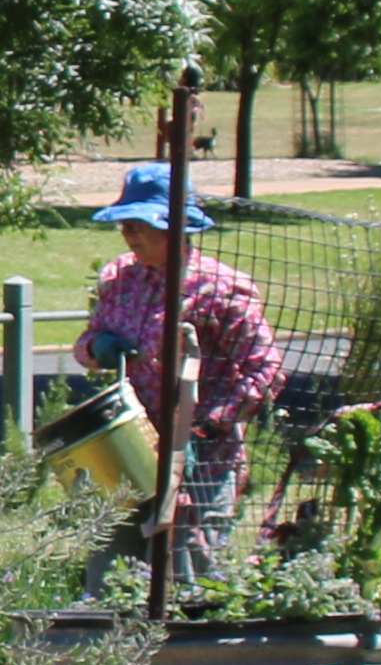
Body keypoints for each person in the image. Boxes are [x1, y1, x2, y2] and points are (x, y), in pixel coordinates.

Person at [78, 163, 286, 578]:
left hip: (200, 462)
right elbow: (86, 344)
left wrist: (208, 425)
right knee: (113, 571)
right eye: (125, 224)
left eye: (139, 224)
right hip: (129, 450)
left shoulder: (221, 289)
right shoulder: (120, 278)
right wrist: (99, 347)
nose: (128, 234)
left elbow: (266, 368)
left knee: (192, 577)